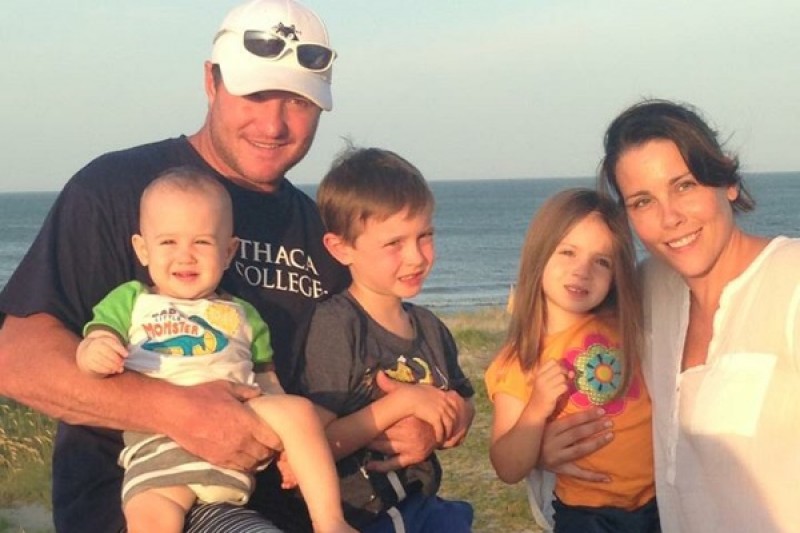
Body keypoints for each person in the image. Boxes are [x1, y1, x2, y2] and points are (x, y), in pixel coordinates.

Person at [0, 1, 472, 531]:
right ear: (211, 81)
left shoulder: (322, 233)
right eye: (255, 94)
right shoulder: (116, 188)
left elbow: (371, 367)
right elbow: (16, 359)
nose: (273, 123)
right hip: (144, 504)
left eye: (298, 101)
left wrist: (429, 422)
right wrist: (176, 411)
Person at [75, 169, 354, 533]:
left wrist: (286, 439)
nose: (185, 256)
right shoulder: (131, 299)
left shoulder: (244, 314)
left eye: (202, 243)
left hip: (237, 442)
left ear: (228, 252)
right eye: (168, 242)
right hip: (159, 455)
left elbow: (267, 380)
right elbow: (92, 343)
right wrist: (94, 353)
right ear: (142, 249)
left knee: (298, 411)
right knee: (152, 518)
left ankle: (330, 521)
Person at [593, 99, 800, 532]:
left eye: (684, 186)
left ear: (727, 181)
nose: (670, 217)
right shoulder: (649, 289)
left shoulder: (790, 280)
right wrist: (545, 444)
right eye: (643, 201)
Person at [297, 147, 476, 532]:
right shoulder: (338, 326)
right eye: (394, 243)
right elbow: (313, 443)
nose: (416, 257)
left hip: (422, 508)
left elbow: (464, 403)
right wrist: (404, 403)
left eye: (425, 236)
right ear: (341, 248)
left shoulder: (428, 326)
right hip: (362, 517)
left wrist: (452, 417)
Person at [485, 188, 658, 532]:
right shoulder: (521, 359)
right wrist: (537, 409)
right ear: (539, 254)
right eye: (567, 252)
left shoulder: (625, 326)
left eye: (602, 261)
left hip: (659, 502)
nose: (582, 271)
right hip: (587, 514)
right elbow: (507, 466)